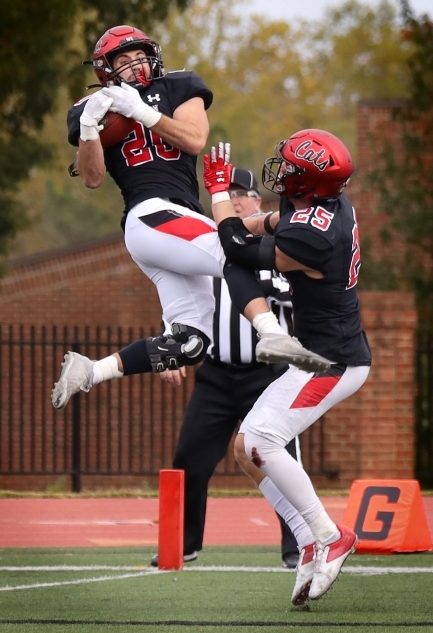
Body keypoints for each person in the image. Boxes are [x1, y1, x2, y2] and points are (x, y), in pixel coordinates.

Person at [51, 25, 331, 409]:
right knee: (234, 251)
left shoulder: (178, 86)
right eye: (124, 61)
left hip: (175, 220)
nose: (135, 65)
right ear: (106, 71)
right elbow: (93, 178)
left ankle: (91, 371)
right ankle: (272, 335)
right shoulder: (94, 107)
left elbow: (194, 139)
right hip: (149, 213)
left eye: (139, 56)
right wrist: (88, 128)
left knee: (189, 344)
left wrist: (143, 112)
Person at [203, 130, 372, 605]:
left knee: (260, 440)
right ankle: (306, 538)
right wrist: (237, 221)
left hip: (332, 361)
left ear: (311, 180)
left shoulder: (313, 235)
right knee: (243, 448)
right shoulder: (321, 209)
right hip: (319, 352)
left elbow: (237, 248)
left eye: (292, 165)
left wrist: (218, 195)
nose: (283, 169)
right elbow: (261, 226)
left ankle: (330, 533)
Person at [149, 167, 301, 569]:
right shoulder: (202, 249)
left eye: (241, 194)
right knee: (189, 458)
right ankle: (183, 543)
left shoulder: (276, 248)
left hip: (267, 375)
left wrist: (273, 286)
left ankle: (296, 547)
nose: (233, 201)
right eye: (225, 193)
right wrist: (168, 350)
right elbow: (180, 302)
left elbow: (298, 293)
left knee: (280, 460)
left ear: (258, 203)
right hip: (215, 374)